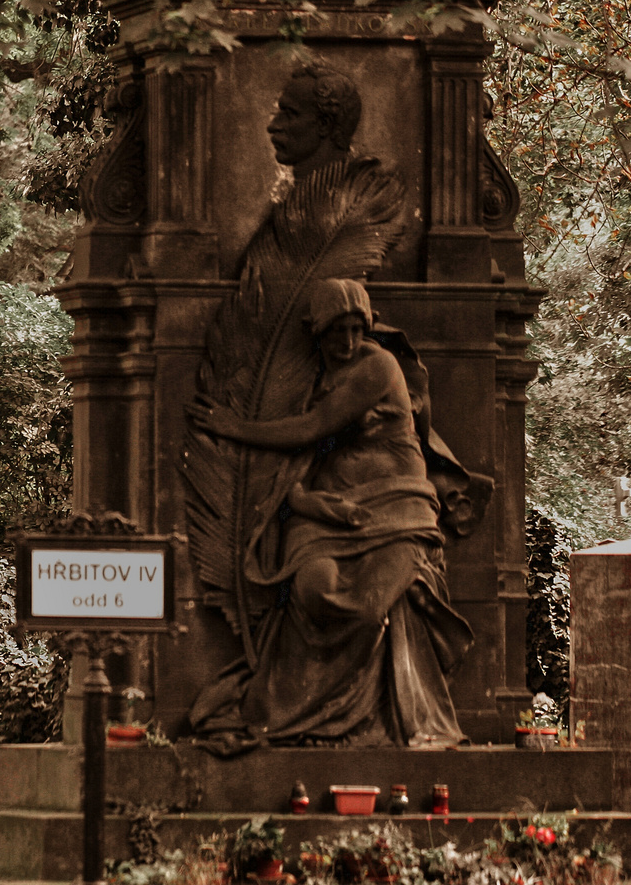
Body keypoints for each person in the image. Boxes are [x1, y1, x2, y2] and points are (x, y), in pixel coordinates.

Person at [185, 278, 472, 751]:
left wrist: (234, 428)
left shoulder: (377, 366)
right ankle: (296, 711)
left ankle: (362, 720)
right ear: (316, 331)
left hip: (396, 507)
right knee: (314, 589)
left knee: (369, 604)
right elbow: (294, 462)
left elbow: (312, 427)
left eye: (357, 329)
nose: (348, 342)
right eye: (337, 331)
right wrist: (301, 500)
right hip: (323, 511)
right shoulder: (304, 374)